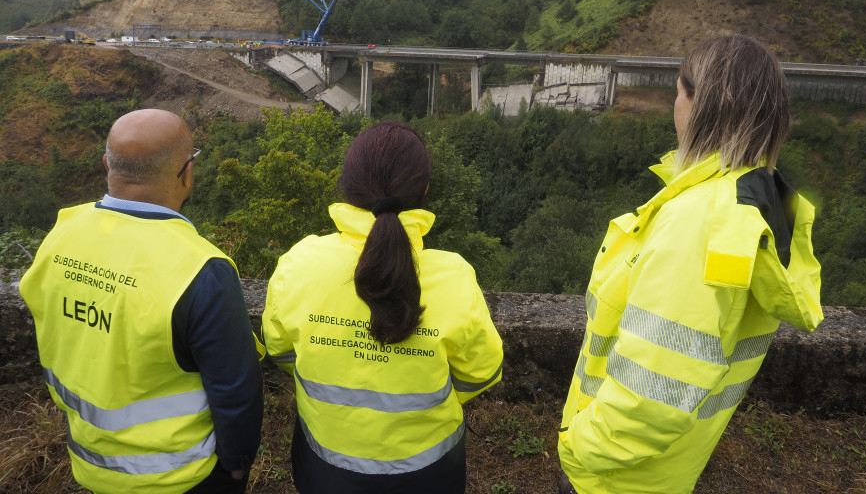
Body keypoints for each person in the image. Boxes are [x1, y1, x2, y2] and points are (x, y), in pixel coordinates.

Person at [557, 35, 823, 494]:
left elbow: (653, 396)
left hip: (612, 479)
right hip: (669, 468)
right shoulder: (760, 200)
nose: (672, 103)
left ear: (700, 105)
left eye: (678, 91)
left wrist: (579, 449)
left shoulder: (700, 222)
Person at [20, 109, 264, 494]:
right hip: (181, 476)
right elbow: (235, 389)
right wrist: (237, 466)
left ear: (106, 165)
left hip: (89, 460)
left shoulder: (63, 233)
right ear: (187, 174)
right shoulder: (201, 269)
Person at [262, 120, 504, 494]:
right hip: (427, 469)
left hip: (325, 466)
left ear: (346, 186)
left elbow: (281, 353)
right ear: (423, 189)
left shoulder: (299, 264)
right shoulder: (453, 276)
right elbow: (480, 374)